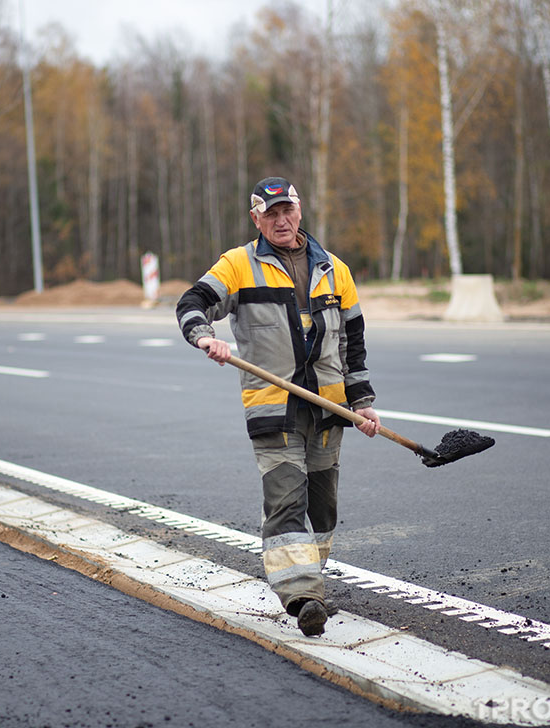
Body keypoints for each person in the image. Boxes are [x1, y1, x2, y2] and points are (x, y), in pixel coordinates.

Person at [176, 176, 380, 637]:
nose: (282, 220)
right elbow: (193, 302)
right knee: (287, 500)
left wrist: (363, 401)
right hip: (273, 406)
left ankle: (308, 573)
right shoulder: (238, 265)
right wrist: (204, 335)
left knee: (323, 509)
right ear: (256, 219)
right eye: (271, 214)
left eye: (287, 210)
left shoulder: (334, 269)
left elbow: (354, 343)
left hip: (329, 409)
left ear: (300, 210)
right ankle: (303, 595)